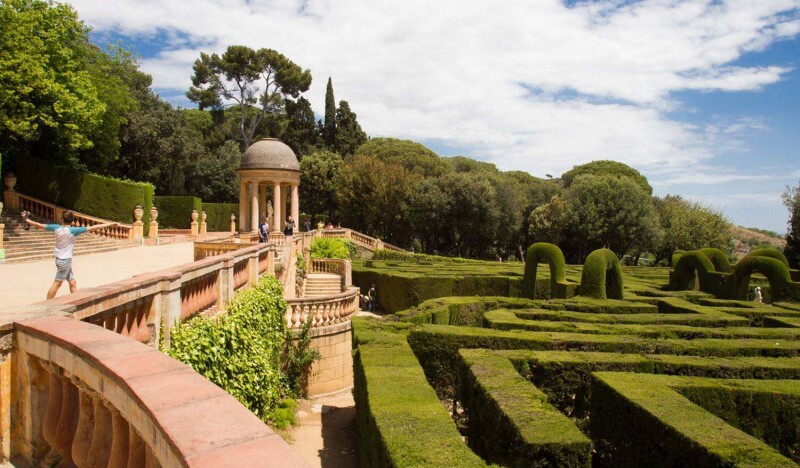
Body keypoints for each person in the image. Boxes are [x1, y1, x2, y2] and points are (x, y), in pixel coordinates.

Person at [21, 210, 119, 299]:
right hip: (65, 261)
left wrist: (26, 219)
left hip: (60, 260)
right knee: (57, 284)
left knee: (72, 282)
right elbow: (94, 227)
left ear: (62, 219)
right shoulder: (74, 231)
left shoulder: (56, 228)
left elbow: (38, 224)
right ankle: (47, 304)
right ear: (72, 221)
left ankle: (77, 300)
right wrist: (111, 224)